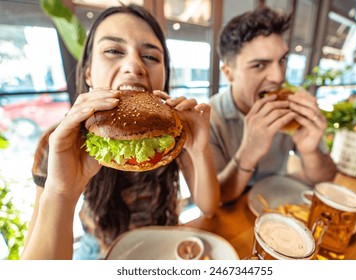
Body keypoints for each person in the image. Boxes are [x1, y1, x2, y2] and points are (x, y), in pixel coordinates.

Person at [21, 4, 220, 260]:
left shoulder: (170, 133)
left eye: (150, 56)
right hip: (98, 255)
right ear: (89, 73)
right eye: (113, 50)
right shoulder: (59, 142)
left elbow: (209, 208)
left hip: (164, 248)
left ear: (164, 75)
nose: (134, 66)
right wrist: (62, 193)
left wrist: (200, 149)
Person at [210, 7, 337, 204]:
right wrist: (248, 153)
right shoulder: (209, 119)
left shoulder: (296, 104)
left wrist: (310, 151)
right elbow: (216, 199)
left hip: (277, 204)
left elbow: (325, 178)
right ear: (229, 73)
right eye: (259, 65)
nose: (278, 77)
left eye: (282, 60)